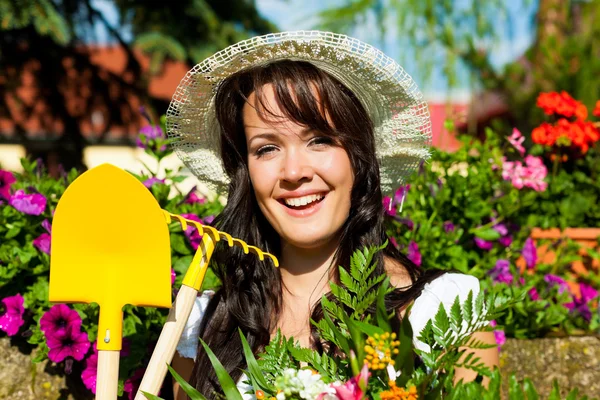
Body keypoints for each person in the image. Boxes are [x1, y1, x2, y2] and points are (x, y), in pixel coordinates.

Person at [166, 31, 498, 400]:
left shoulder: (442, 311)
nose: (294, 172)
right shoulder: (205, 326)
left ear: (359, 157)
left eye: (319, 139)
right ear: (245, 172)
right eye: (267, 148)